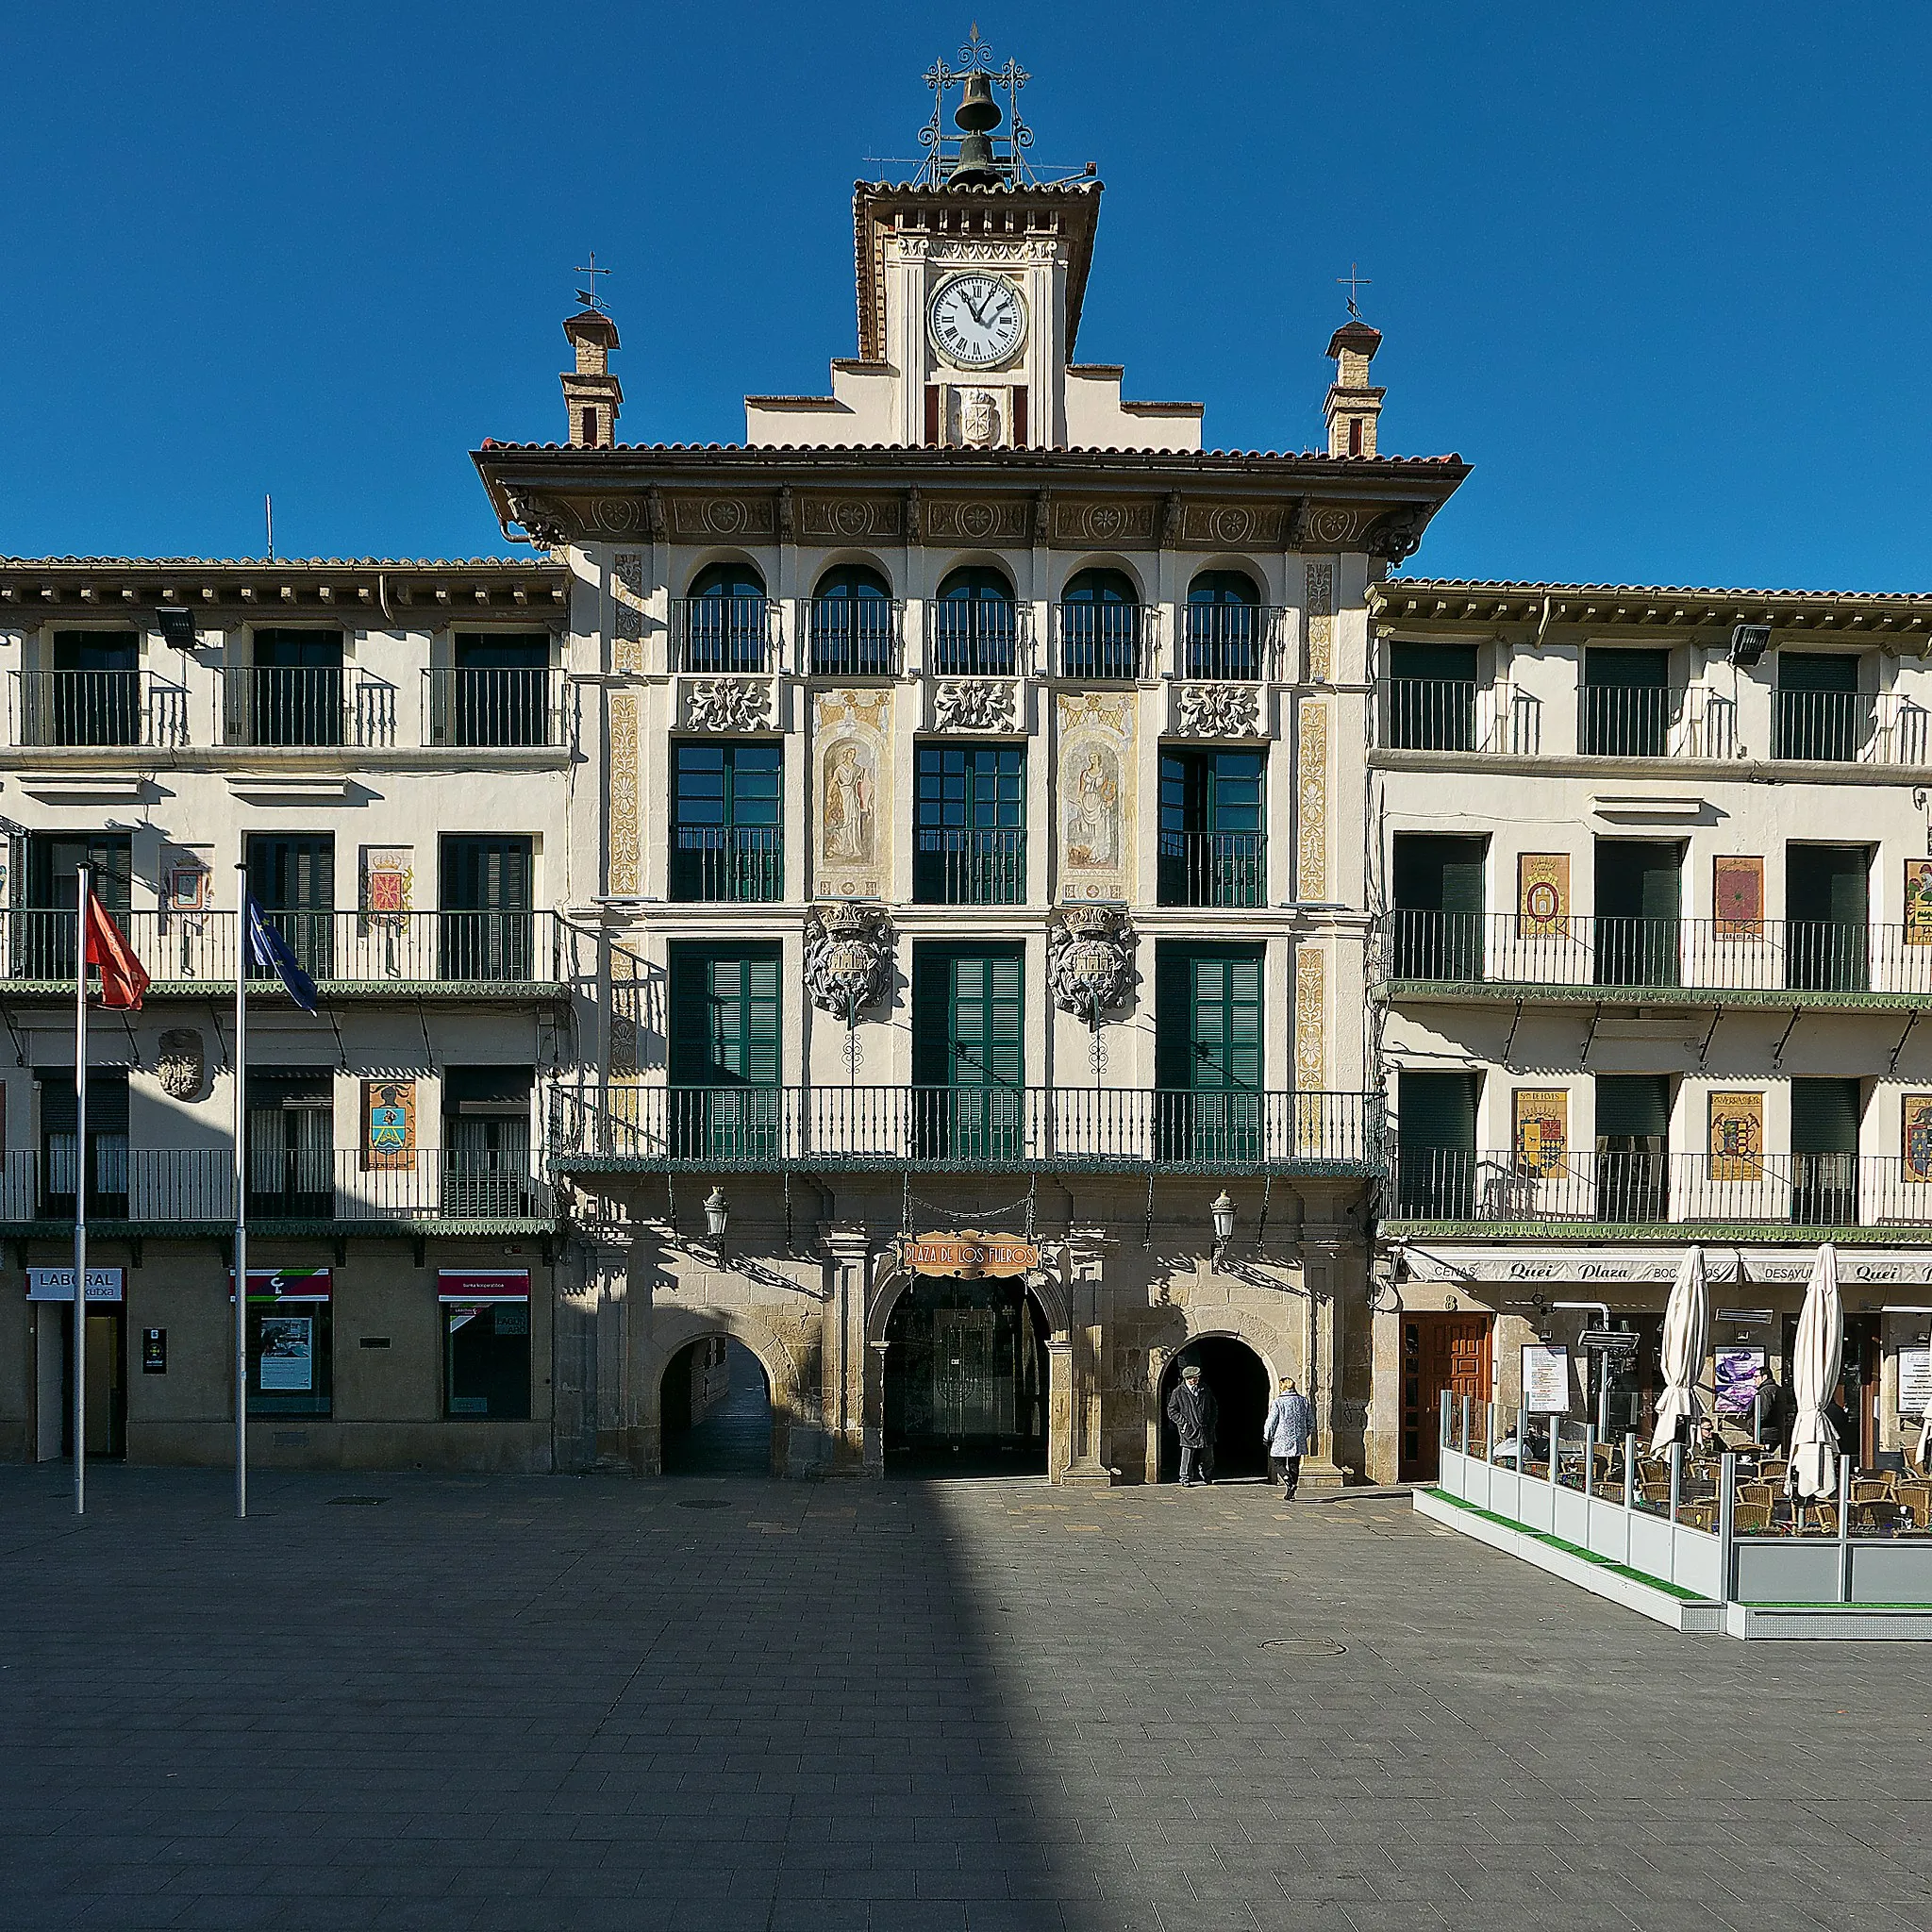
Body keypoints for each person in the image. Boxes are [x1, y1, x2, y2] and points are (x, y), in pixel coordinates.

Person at [1262, 1376, 1316, 1499]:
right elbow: (1311, 1421)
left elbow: (1271, 1421)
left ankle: (1288, 1481)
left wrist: (1267, 1437)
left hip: (1281, 1438)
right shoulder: (1303, 1401)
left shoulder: (1278, 1402)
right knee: (1294, 1464)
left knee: (1277, 1462)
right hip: (1298, 1439)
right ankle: (1291, 1492)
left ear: (1283, 1386)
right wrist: (1304, 1434)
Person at [1167, 1363, 1218, 1487]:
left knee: (1208, 1456)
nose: (1195, 1380)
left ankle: (1207, 1475)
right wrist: (1183, 1423)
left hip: (1205, 1429)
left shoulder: (1205, 1389)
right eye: (1192, 1378)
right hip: (1189, 1429)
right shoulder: (1178, 1392)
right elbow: (1172, 1410)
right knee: (1187, 1455)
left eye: (1197, 1377)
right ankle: (1185, 1478)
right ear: (1187, 1379)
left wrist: (1211, 1422)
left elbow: (1213, 1406)